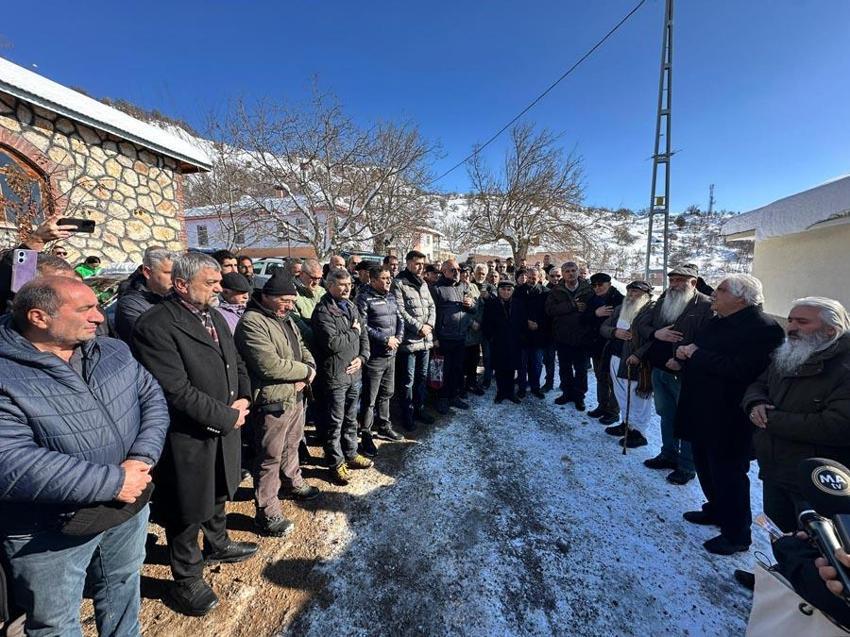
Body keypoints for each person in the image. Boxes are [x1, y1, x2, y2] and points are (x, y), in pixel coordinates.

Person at [0, 276, 169, 636]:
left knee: (123, 583)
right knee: (55, 621)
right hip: (48, 529)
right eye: (85, 309)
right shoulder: (6, 374)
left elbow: (152, 399)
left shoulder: (111, 351)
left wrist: (141, 459)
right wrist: (115, 481)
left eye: (96, 306)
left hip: (127, 507)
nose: (98, 316)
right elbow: (10, 461)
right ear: (39, 317)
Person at [131, 252, 257, 617]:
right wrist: (225, 416)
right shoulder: (155, 325)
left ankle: (218, 543)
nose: (221, 288)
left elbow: (236, 362)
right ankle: (186, 577)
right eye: (212, 282)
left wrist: (245, 397)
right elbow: (174, 390)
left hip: (226, 423)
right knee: (186, 509)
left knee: (219, 487)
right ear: (182, 285)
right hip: (188, 434)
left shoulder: (214, 314)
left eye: (219, 282)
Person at [673, 274, 784, 556]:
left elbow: (745, 370)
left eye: (721, 290)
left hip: (729, 415)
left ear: (741, 298)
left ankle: (736, 534)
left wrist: (696, 354)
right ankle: (716, 509)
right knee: (705, 465)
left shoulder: (763, 328)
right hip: (702, 408)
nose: (714, 294)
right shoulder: (718, 320)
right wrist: (686, 355)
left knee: (729, 473)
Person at [742, 297, 850, 532]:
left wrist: (770, 420)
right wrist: (756, 402)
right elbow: (759, 384)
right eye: (790, 320)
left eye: (802, 322)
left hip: (817, 479)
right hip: (775, 466)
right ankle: (779, 569)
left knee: (817, 546)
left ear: (831, 330)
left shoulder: (844, 367)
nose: (791, 327)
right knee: (780, 534)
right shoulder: (791, 351)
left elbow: (838, 425)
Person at [235, 273, 319, 537]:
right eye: (285, 300)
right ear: (267, 297)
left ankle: (293, 482)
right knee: (269, 457)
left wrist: (309, 367)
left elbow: (302, 346)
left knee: (292, 444)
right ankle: (267, 511)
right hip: (273, 400)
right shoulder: (252, 322)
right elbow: (268, 365)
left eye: (292, 300)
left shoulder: (283, 318)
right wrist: (305, 371)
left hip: (295, 395)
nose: (290, 306)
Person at [638, 264, 713, 485]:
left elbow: (708, 341)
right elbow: (642, 325)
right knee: (666, 414)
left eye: (681, 280)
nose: (675, 284)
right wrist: (656, 333)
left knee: (686, 420)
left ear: (694, 282)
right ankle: (668, 454)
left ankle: (687, 466)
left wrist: (681, 360)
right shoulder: (663, 299)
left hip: (685, 373)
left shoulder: (706, 306)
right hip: (659, 368)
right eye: (672, 280)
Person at [311, 268, 373, 484]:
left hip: (354, 374)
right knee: (334, 422)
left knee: (350, 418)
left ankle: (351, 453)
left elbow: (363, 334)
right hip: (335, 376)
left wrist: (362, 358)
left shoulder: (352, 306)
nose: (347, 288)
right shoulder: (323, 311)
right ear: (330, 286)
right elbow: (332, 343)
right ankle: (335, 462)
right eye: (342, 284)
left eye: (349, 284)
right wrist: (353, 332)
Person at [600, 281, 655, 448]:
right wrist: (615, 332)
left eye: (636, 292)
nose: (631, 295)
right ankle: (626, 424)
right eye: (629, 291)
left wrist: (638, 354)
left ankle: (639, 432)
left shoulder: (651, 311)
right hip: (616, 357)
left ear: (646, 294)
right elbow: (603, 327)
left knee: (638, 398)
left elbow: (654, 338)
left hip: (636, 361)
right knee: (621, 394)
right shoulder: (620, 308)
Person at [356, 266, 404, 454]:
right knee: (370, 398)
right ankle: (366, 432)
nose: (388, 282)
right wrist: (385, 339)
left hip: (391, 354)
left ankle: (384, 425)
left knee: (387, 393)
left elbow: (400, 319)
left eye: (389, 278)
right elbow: (363, 325)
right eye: (384, 278)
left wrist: (398, 338)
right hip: (375, 356)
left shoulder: (391, 296)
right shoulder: (364, 297)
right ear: (373, 280)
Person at [393, 250, 437, 431]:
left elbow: (432, 306)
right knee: (408, 381)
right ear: (408, 263)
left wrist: (429, 325)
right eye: (417, 263)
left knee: (422, 378)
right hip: (410, 342)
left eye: (422, 264)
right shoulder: (399, 283)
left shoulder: (424, 283)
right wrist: (419, 327)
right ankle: (407, 414)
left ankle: (420, 409)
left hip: (425, 340)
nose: (420, 267)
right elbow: (399, 310)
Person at [545, 261, 593, 409]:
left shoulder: (588, 289)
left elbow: (594, 309)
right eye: (567, 271)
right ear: (563, 274)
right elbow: (550, 310)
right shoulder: (556, 290)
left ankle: (579, 396)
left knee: (581, 369)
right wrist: (572, 305)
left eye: (573, 270)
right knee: (565, 368)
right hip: (563, 336)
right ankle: (567, 393)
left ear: (578, 272)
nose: (571, 273)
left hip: (582, 337)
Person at [431, 259, 474, 414]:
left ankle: (454, 396)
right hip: (444, 337)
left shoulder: (463, 286)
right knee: (443, 370)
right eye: (452, 270)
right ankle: (442, 399)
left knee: (457, 369)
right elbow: (431, 314)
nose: (457, 273)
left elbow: (472, 309)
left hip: (460, 336)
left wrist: (471, 305)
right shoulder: (436, 288)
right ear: (443, 271)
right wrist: (434, 336)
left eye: (458, 270)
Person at [584, 273, 624, 425]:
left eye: (600, 285)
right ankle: (602, 406)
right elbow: (584, 319)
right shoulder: (592, 298)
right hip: (596, 345)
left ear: (609, 284)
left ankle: (613, 411)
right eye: (594, 285)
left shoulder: (620, 300)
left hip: (613, 346)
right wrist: (595, 313)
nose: (597, 288)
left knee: (613, 380)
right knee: (601, 378)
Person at [114, 248, 177, 342]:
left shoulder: (177, 297)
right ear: (148, 272)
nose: (174, 278)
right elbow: (153, 339)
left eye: (176, 273)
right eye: (168, 273)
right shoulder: (130, 304)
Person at [483, 280, 524, 403]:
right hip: (498, 341)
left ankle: (510, 392)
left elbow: (522, 322)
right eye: (503, 289)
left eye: (509, 289)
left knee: (511, 368)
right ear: (498, 290)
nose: (506, 292)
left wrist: (520, 337)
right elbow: (486, 322)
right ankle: (500, 392)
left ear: (512, 291)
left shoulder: (518, 304)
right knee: (500, 368)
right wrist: (491, 337)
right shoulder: (491, 303)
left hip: (513, 341)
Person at [514, 267, 548, 399]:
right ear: (525, 277)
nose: (531, 280)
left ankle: (535, 387)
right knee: (522, 365)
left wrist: (538, 324)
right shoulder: (518, 292)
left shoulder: (546, 293)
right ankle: (521, 388)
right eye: (529, 277)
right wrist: (526, 322)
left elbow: (548, 314)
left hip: (538, 335)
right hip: (522, 335)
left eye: (534, 278)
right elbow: (515, 312)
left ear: (539, 278)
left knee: (537, 364)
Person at [460, 264, 485, 397]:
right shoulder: (456, 287)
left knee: (473, 361)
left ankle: (472, 383)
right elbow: (457, 311)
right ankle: (462, 387)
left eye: (469, 273)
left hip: (475, 334)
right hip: (463, 332)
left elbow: (480, 306)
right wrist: (470, 322)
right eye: (464, 273)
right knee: (462, 362)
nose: (466, 276)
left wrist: (479, 321)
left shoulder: (474, 287)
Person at [292, 258, 326, 349]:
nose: (316, 282)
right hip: (306, 344)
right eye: (313, 278)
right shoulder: (292, 293)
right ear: (302, 274)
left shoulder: (322, 292)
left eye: (319, 278)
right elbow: (297, 322)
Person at [542, 268, 562, 391]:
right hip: (548, 331)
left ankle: (565, 383)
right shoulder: (544, 291)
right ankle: (549, 382)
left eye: (558, 276)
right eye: (553, 276)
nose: (555, 278)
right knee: (549, 360)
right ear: (548, 277)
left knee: (565, 361)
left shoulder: (567, 289)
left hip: (564, 331)